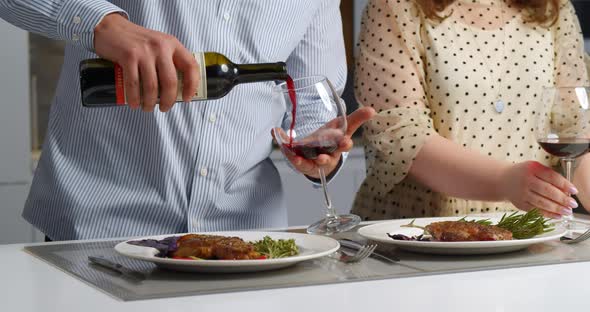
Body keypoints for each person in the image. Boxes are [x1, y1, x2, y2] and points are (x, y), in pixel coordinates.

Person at [0, 0, 375, 240]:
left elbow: (310, 97)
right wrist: (103, 24)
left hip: (243, 240)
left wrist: (320, 151)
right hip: (99, 232)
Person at [351, 0, 589, 220]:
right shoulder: (394, 6)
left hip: (532, 233)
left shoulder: (553, 7)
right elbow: (402, 136)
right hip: (419, 234)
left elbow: (576, 125)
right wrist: (505, 181)